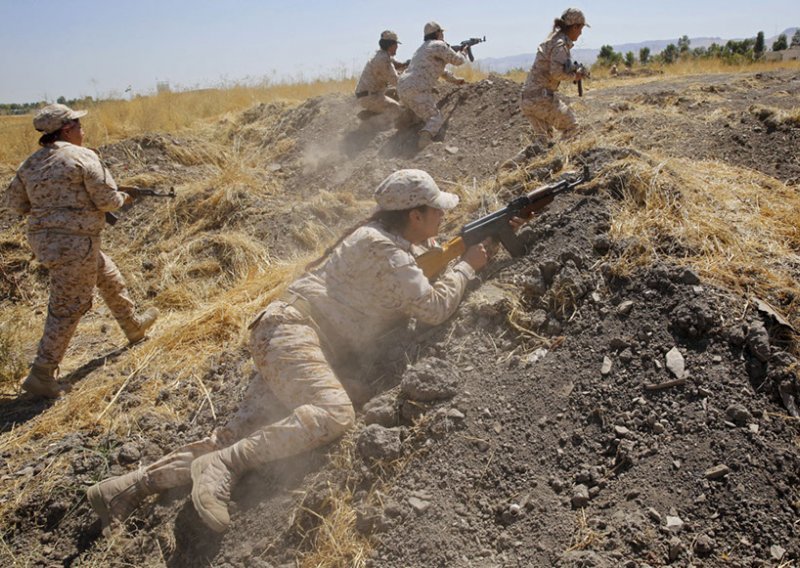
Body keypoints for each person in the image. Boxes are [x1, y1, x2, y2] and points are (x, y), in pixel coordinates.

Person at [88, 169, 491, 533]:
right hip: (293, 333)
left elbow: (417, 266)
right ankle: (225, 466)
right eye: (436, 210)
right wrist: (467, 266)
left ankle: (127, 488)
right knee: (333, 414)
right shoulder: (385, 249)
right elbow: (433, 309)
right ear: (414, 216)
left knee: (234, 434)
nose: (442, 215)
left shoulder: (383, 239)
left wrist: (457, 248)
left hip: (283, 334)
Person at [3, 104, 158, 400]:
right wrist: (124, 198)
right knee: (68, 306)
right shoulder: (83, 157)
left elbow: (16, 205)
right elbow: (107, 201)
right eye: (78, 125)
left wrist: (51, 207)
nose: (82, 131)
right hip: (75, 242)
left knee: (106, 273)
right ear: (66, 129)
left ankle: (133, 326)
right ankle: (41, 375)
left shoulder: (29, 164)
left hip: (48, 243)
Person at [516, 8, 590, 158]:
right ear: (574, 26)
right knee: (573, 126)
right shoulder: (559, 44)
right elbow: (556, 73)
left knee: (544, 144)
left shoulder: (553, 40)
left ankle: (516, 167)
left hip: (527, 99)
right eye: (580, 29)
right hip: (541, 98)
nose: (581, 33)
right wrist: (575, 76)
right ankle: (563, 160)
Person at [397, 21, 467, 150]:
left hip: (402, 86)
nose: (442, 35)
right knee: (435, 117)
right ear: (437, 33)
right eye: (441, 32)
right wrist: (464, 52)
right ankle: (425, 137)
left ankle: (406, 118)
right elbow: (458, 61)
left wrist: (456, 80)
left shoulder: (421, 49)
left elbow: (440, 71)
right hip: (417, 88)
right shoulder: (439, 45)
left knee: (418, 109)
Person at [355, 30, 405, 128]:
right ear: (391, 45)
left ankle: (373, 112)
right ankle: (373, 121)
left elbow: (396, 64)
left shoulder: (382, 55)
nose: (397, 47)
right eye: (396, 44)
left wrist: (407, 64)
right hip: (370, 97)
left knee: (393, 95)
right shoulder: (383, 61)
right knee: (397, 111)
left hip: (369, 94)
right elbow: (396, 82)